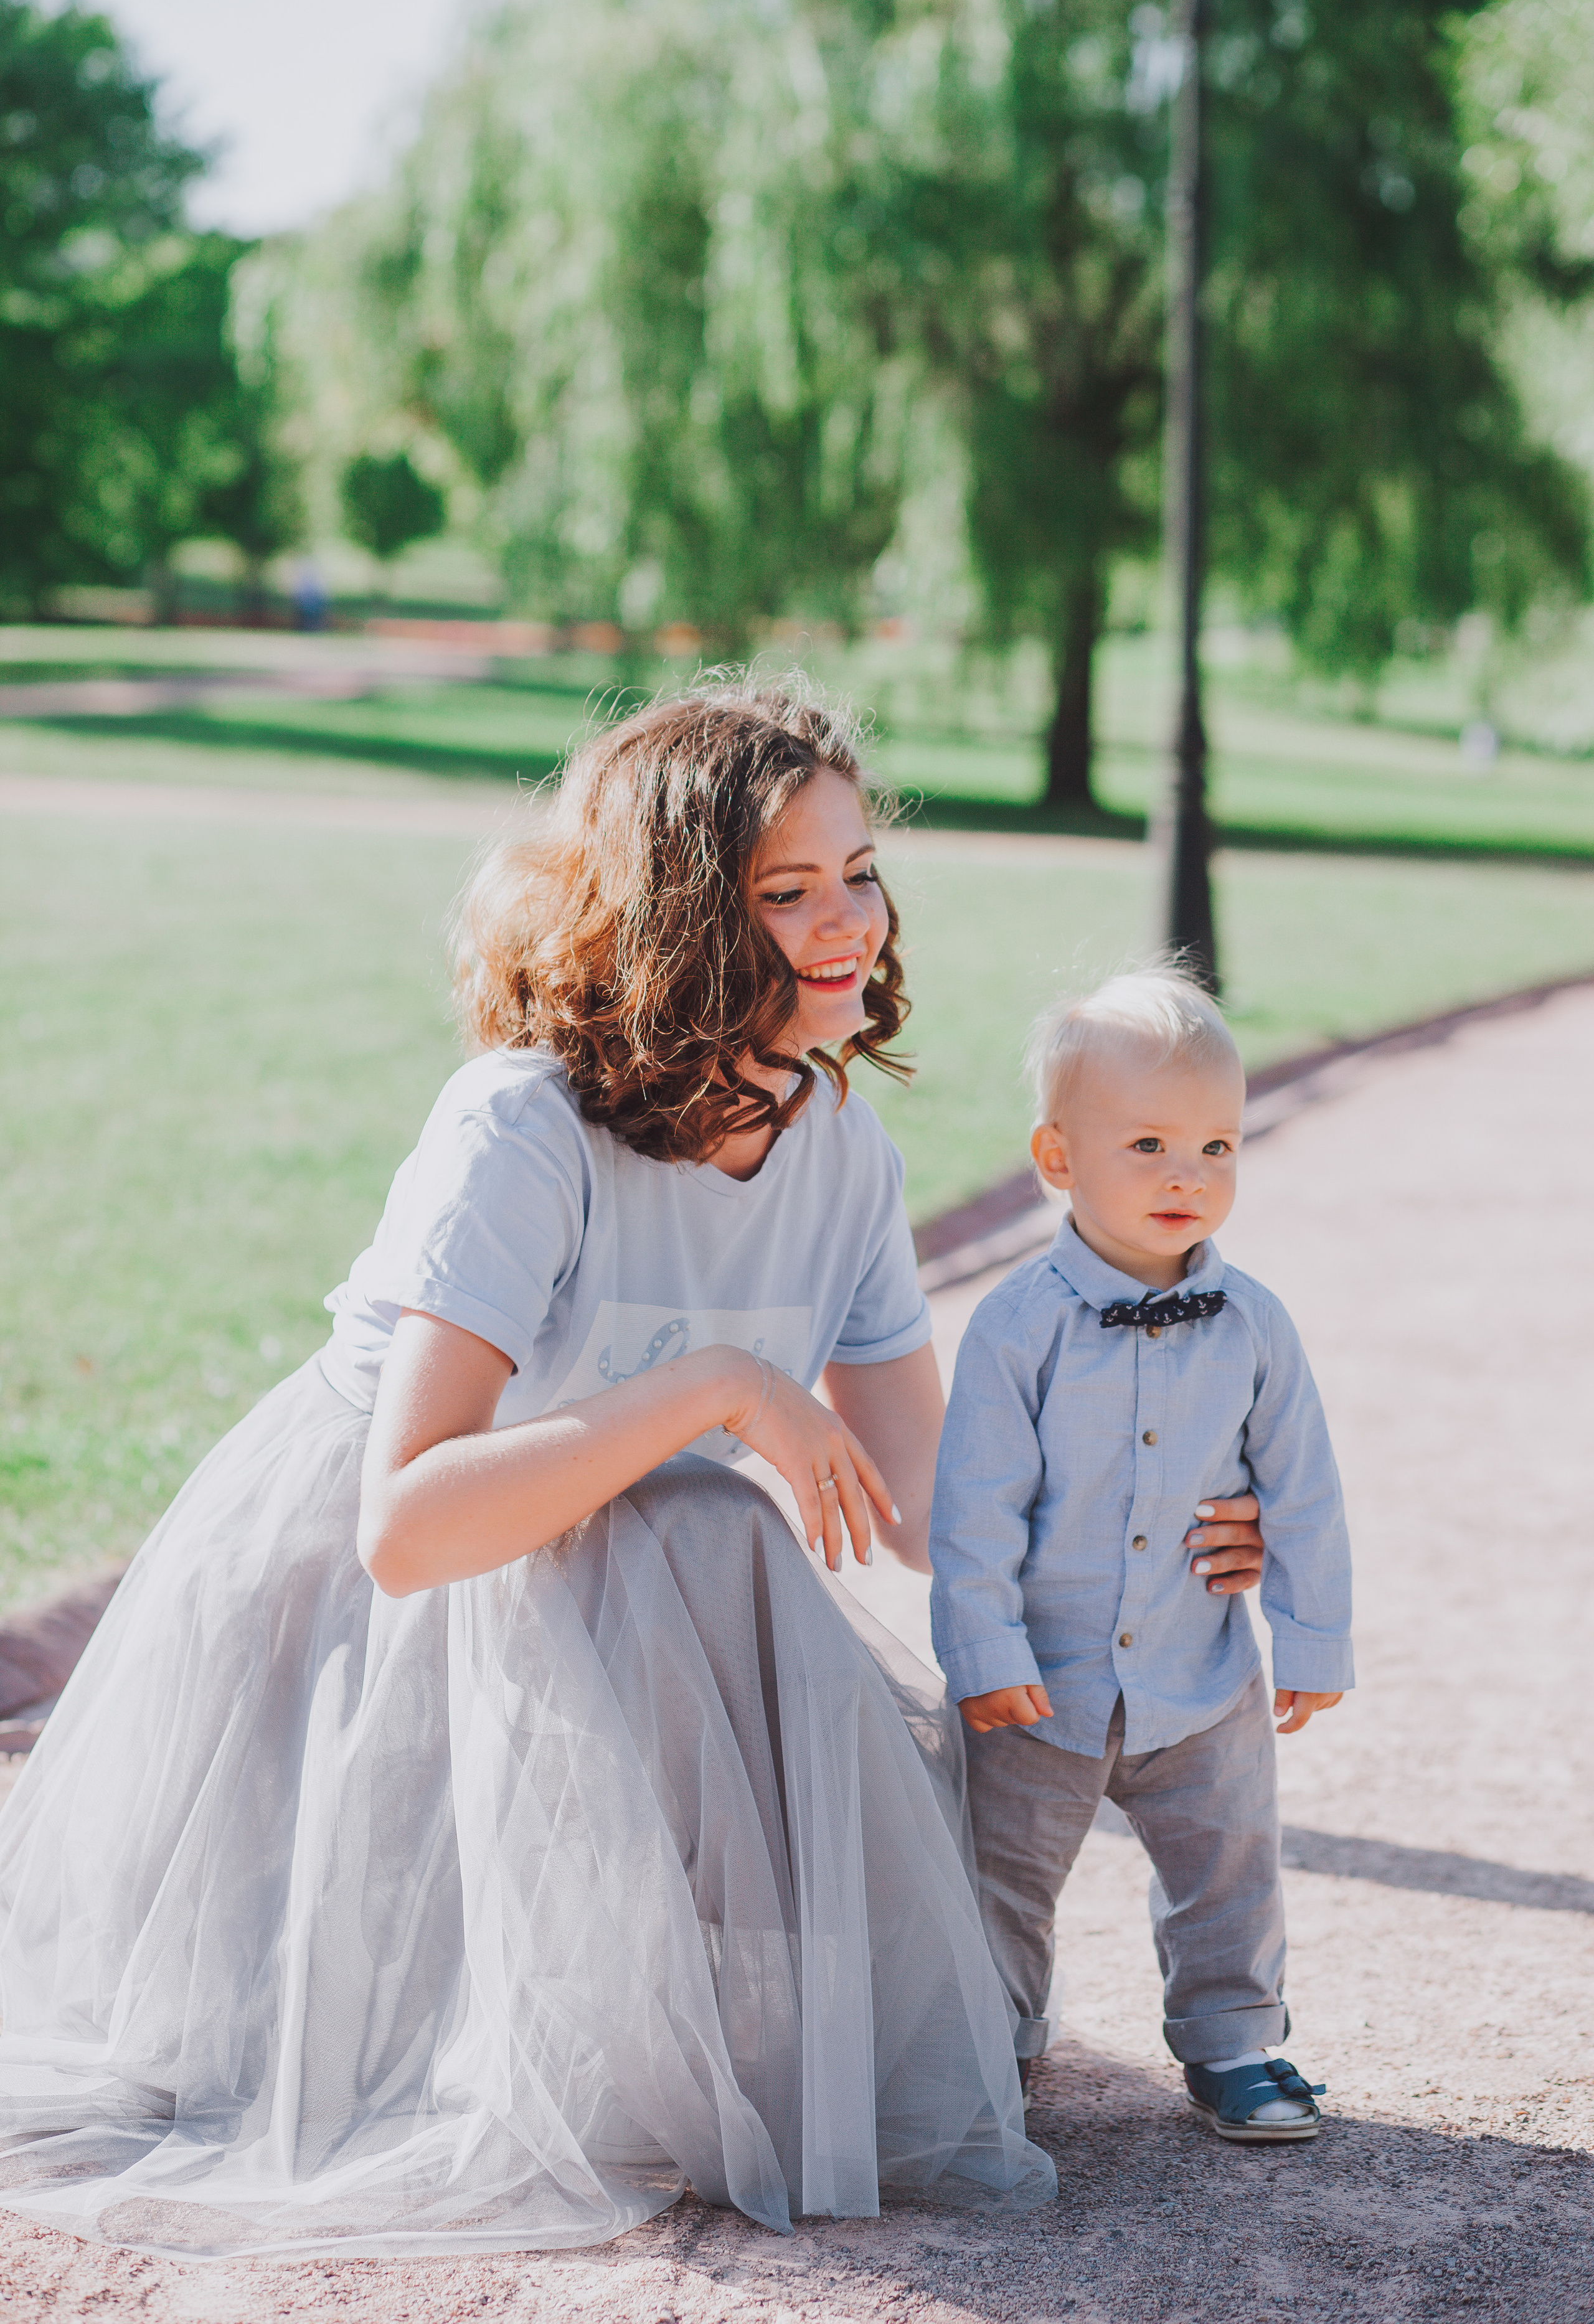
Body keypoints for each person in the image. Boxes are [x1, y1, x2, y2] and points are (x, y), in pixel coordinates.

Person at [0, 682, 1266, 2259]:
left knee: (698, 1530)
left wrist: (1155, 1533)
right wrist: (716, 1386)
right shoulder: (521, 1127)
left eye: (858, 873)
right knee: (699, 1507)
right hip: (375, 1614)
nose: (846, 926)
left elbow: (934, 1505)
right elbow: (407, 1526)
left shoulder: (838, 1150)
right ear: (678, 919)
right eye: (785, 892)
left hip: (612, 1592)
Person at [929, 964, 1354, 2143]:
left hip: (1199, 1672)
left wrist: (1312, 1634)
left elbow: (1304, 1491)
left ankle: (1235, 2043)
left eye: (1219, 1146)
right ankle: (991, 2042)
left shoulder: (1259, 1324)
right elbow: (974, 1510)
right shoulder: (1016, 1327)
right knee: (1001, 1876)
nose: (1188, 1175)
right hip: (1043, 1680)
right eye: (1152, 1144)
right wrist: (982, 1650)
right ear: (1057, 1157)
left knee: (1228, 1864)